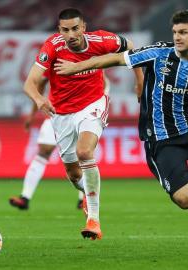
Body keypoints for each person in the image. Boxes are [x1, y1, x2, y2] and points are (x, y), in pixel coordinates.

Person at [55, 9, 188, 253]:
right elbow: (114, 59)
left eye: (183, 33)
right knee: (186, 200)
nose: (177, 37)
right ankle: (170, 173)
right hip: (162, 139)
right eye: (175, 32)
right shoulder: (158, 53)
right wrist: (77, 67)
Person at [23, 8, 144, 240]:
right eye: (65, 30)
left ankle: (94, 220)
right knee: (72, 171)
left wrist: (140, 80)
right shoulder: (52, 46)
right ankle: (89, 198)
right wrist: (39, 100)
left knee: (84, 151)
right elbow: (30, 83)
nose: (71, 34)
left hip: (93, 103)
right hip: (62, 113)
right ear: (60, 30)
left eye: (75, 28)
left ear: (83, 27)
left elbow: (131, 46)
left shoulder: (102, 40)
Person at [9, 75, 111, 211]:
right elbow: (39, 84)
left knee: (82, 155)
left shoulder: (89, 60)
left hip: (83, 116)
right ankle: (25, 197)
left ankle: (84, 199)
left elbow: (103, 84)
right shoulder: (53, 57)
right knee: (44, 151)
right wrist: (32, 114)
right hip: (57, 113)